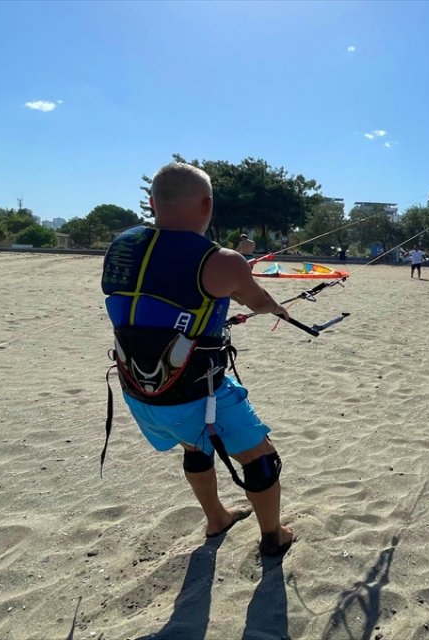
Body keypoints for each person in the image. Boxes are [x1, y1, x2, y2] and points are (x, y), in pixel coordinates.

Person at [101, 162, 294, 557]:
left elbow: (165, 288)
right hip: (194, 392)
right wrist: (276, 308)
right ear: (207, 206)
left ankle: (217, 517)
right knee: (260, 458)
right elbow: (256, 301)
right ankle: (273, 537)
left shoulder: (121, 246)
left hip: (140, 392)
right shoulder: (223, 262)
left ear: (153, 203)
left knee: (196, 446)